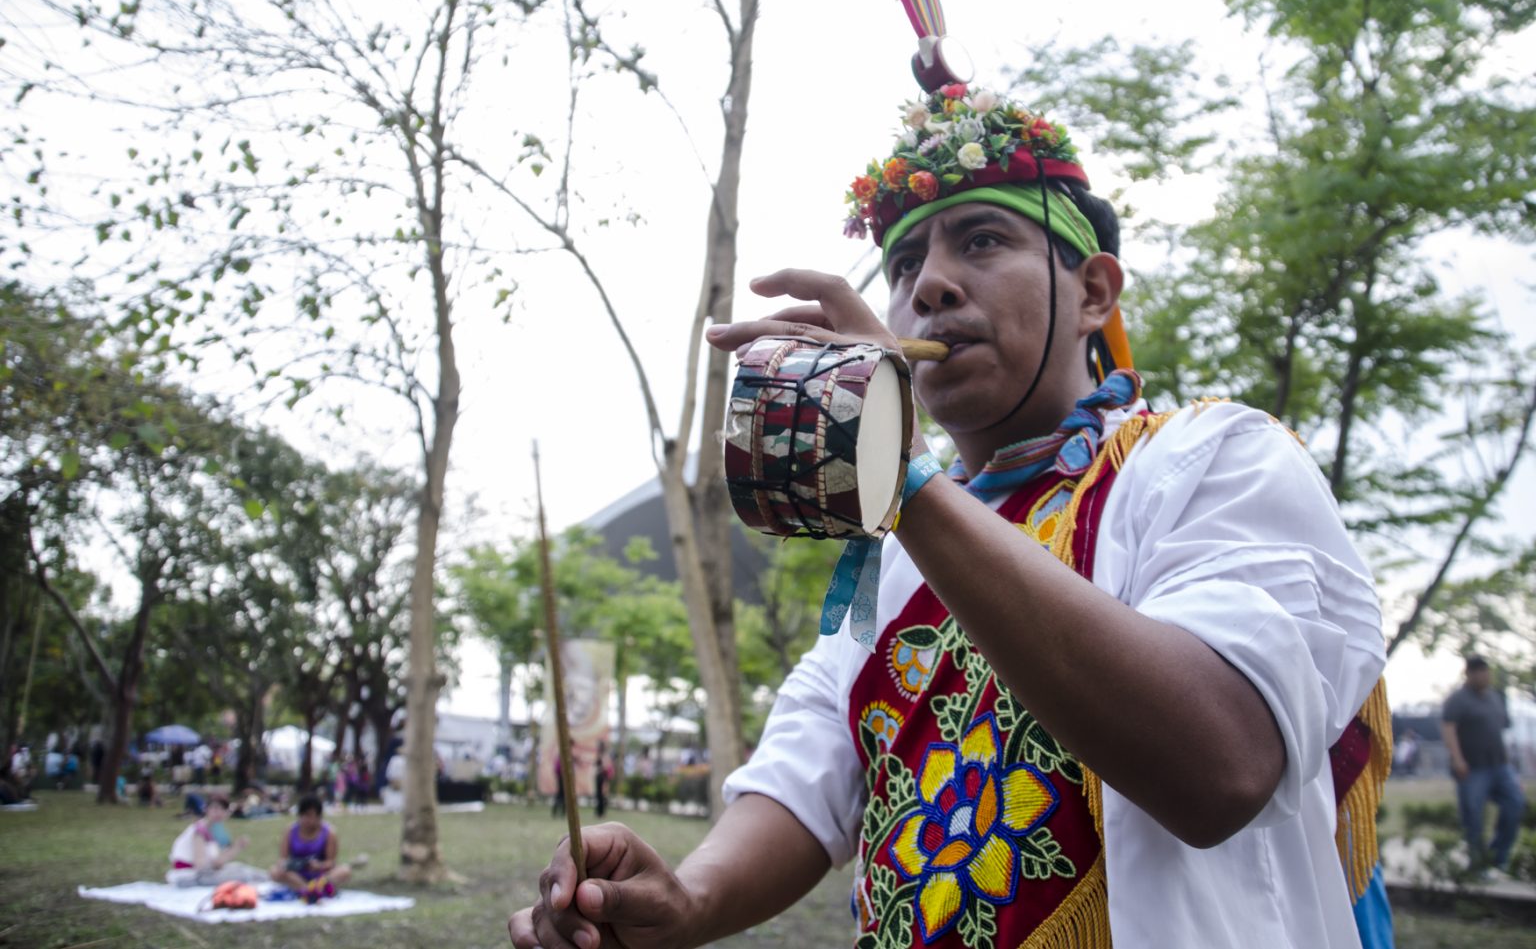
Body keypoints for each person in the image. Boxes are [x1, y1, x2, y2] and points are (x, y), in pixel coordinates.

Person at [509, 83, 1390, 949]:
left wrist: (902, 477)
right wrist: (689, 899)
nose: (930, 285)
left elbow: (1222, 764)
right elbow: (810, 770)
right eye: (902, 267)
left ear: (1093, 292)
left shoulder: (1215, 458)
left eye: (981, 240)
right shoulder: (894, 554)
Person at [1442, 655, 1526, 874]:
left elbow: (1501, 734)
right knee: (1473, 815)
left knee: (1515, 803)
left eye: (1485, 671)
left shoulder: (1495, 698)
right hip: (1472, 768)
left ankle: (1499, 855)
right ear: (1468, 674)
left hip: (1500, 765)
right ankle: (1477, 864)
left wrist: (1513, 771)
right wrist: (1457, 759)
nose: (1483, 675)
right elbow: (1449, 729)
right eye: (1478, 671)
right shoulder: (1458, 700)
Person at [166, 793, 266, 887]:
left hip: (203, 874)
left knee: (240, 868)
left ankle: (271, 877)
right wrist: (236, 848)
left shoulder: (215, 830)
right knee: (242, 876)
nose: (219, 812)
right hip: (190, 876)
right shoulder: (199, 830)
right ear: (206, 810)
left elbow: (218, 862)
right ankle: (271, 879)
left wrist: (236, 848)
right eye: (214, 808)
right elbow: (202, 867)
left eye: (223, 809)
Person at [270, 793, 353, 903]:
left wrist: (318, 866)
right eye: (305, 815)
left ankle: (309, 890)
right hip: (296, 875)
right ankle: (309, 890)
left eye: (311, 815)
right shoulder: (290, 831)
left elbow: (331, 862)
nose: (308, 820)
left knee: (344, 871)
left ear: (319, 816)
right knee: (274, 871)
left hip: (320, 875)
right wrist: (289, 865)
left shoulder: (329, 833)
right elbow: (282, 859)